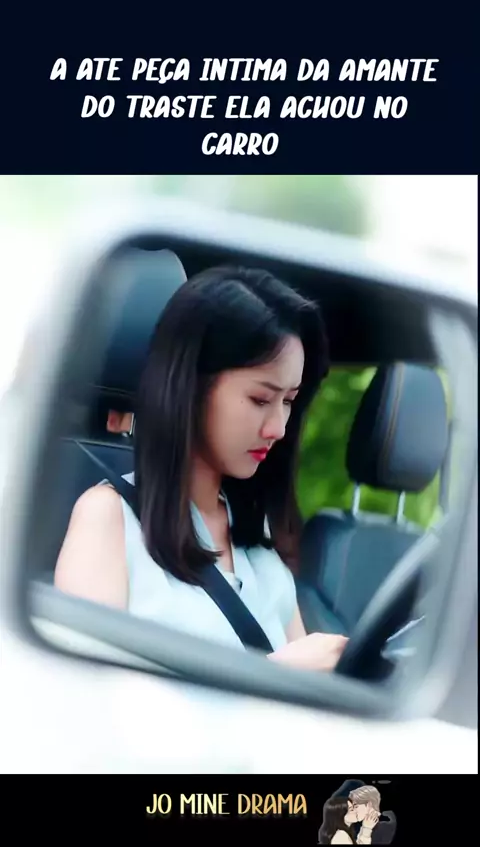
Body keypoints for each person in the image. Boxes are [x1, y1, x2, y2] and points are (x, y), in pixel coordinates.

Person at [54, 265, 348, 672]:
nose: (278, 428)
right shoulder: (108, 518)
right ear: (191, 386)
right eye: (261, 399)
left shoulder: (256, 532)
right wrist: (274, 675)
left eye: (288, 401)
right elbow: (80, 691)